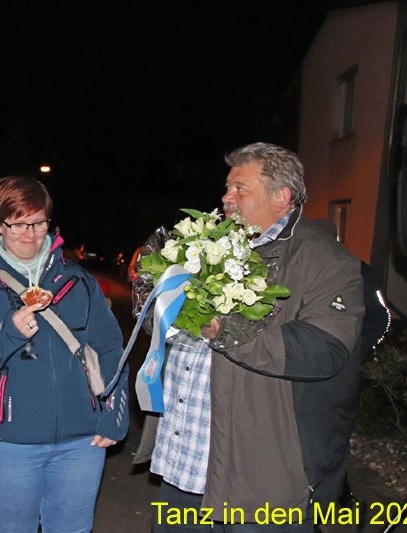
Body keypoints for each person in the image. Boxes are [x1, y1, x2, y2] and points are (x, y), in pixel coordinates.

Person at [149, 142, 365, 532]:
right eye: (227, 187)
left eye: (240, 189)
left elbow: (323, 349)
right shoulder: (209, 247)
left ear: (281, 197)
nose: (226, 198)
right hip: (184, 463)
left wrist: (226, 330)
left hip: (258, 480)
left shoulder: (325, 261)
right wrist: (159, 307)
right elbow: (172, 330)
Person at [0, 176, 129, 532]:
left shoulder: (77, 281)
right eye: (19, 224)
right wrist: (10, 333)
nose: (30, 234)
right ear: (0, 226)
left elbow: (110, 348)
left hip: (80, 444)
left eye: (39, 223)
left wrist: (114, 414)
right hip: (6, 446)